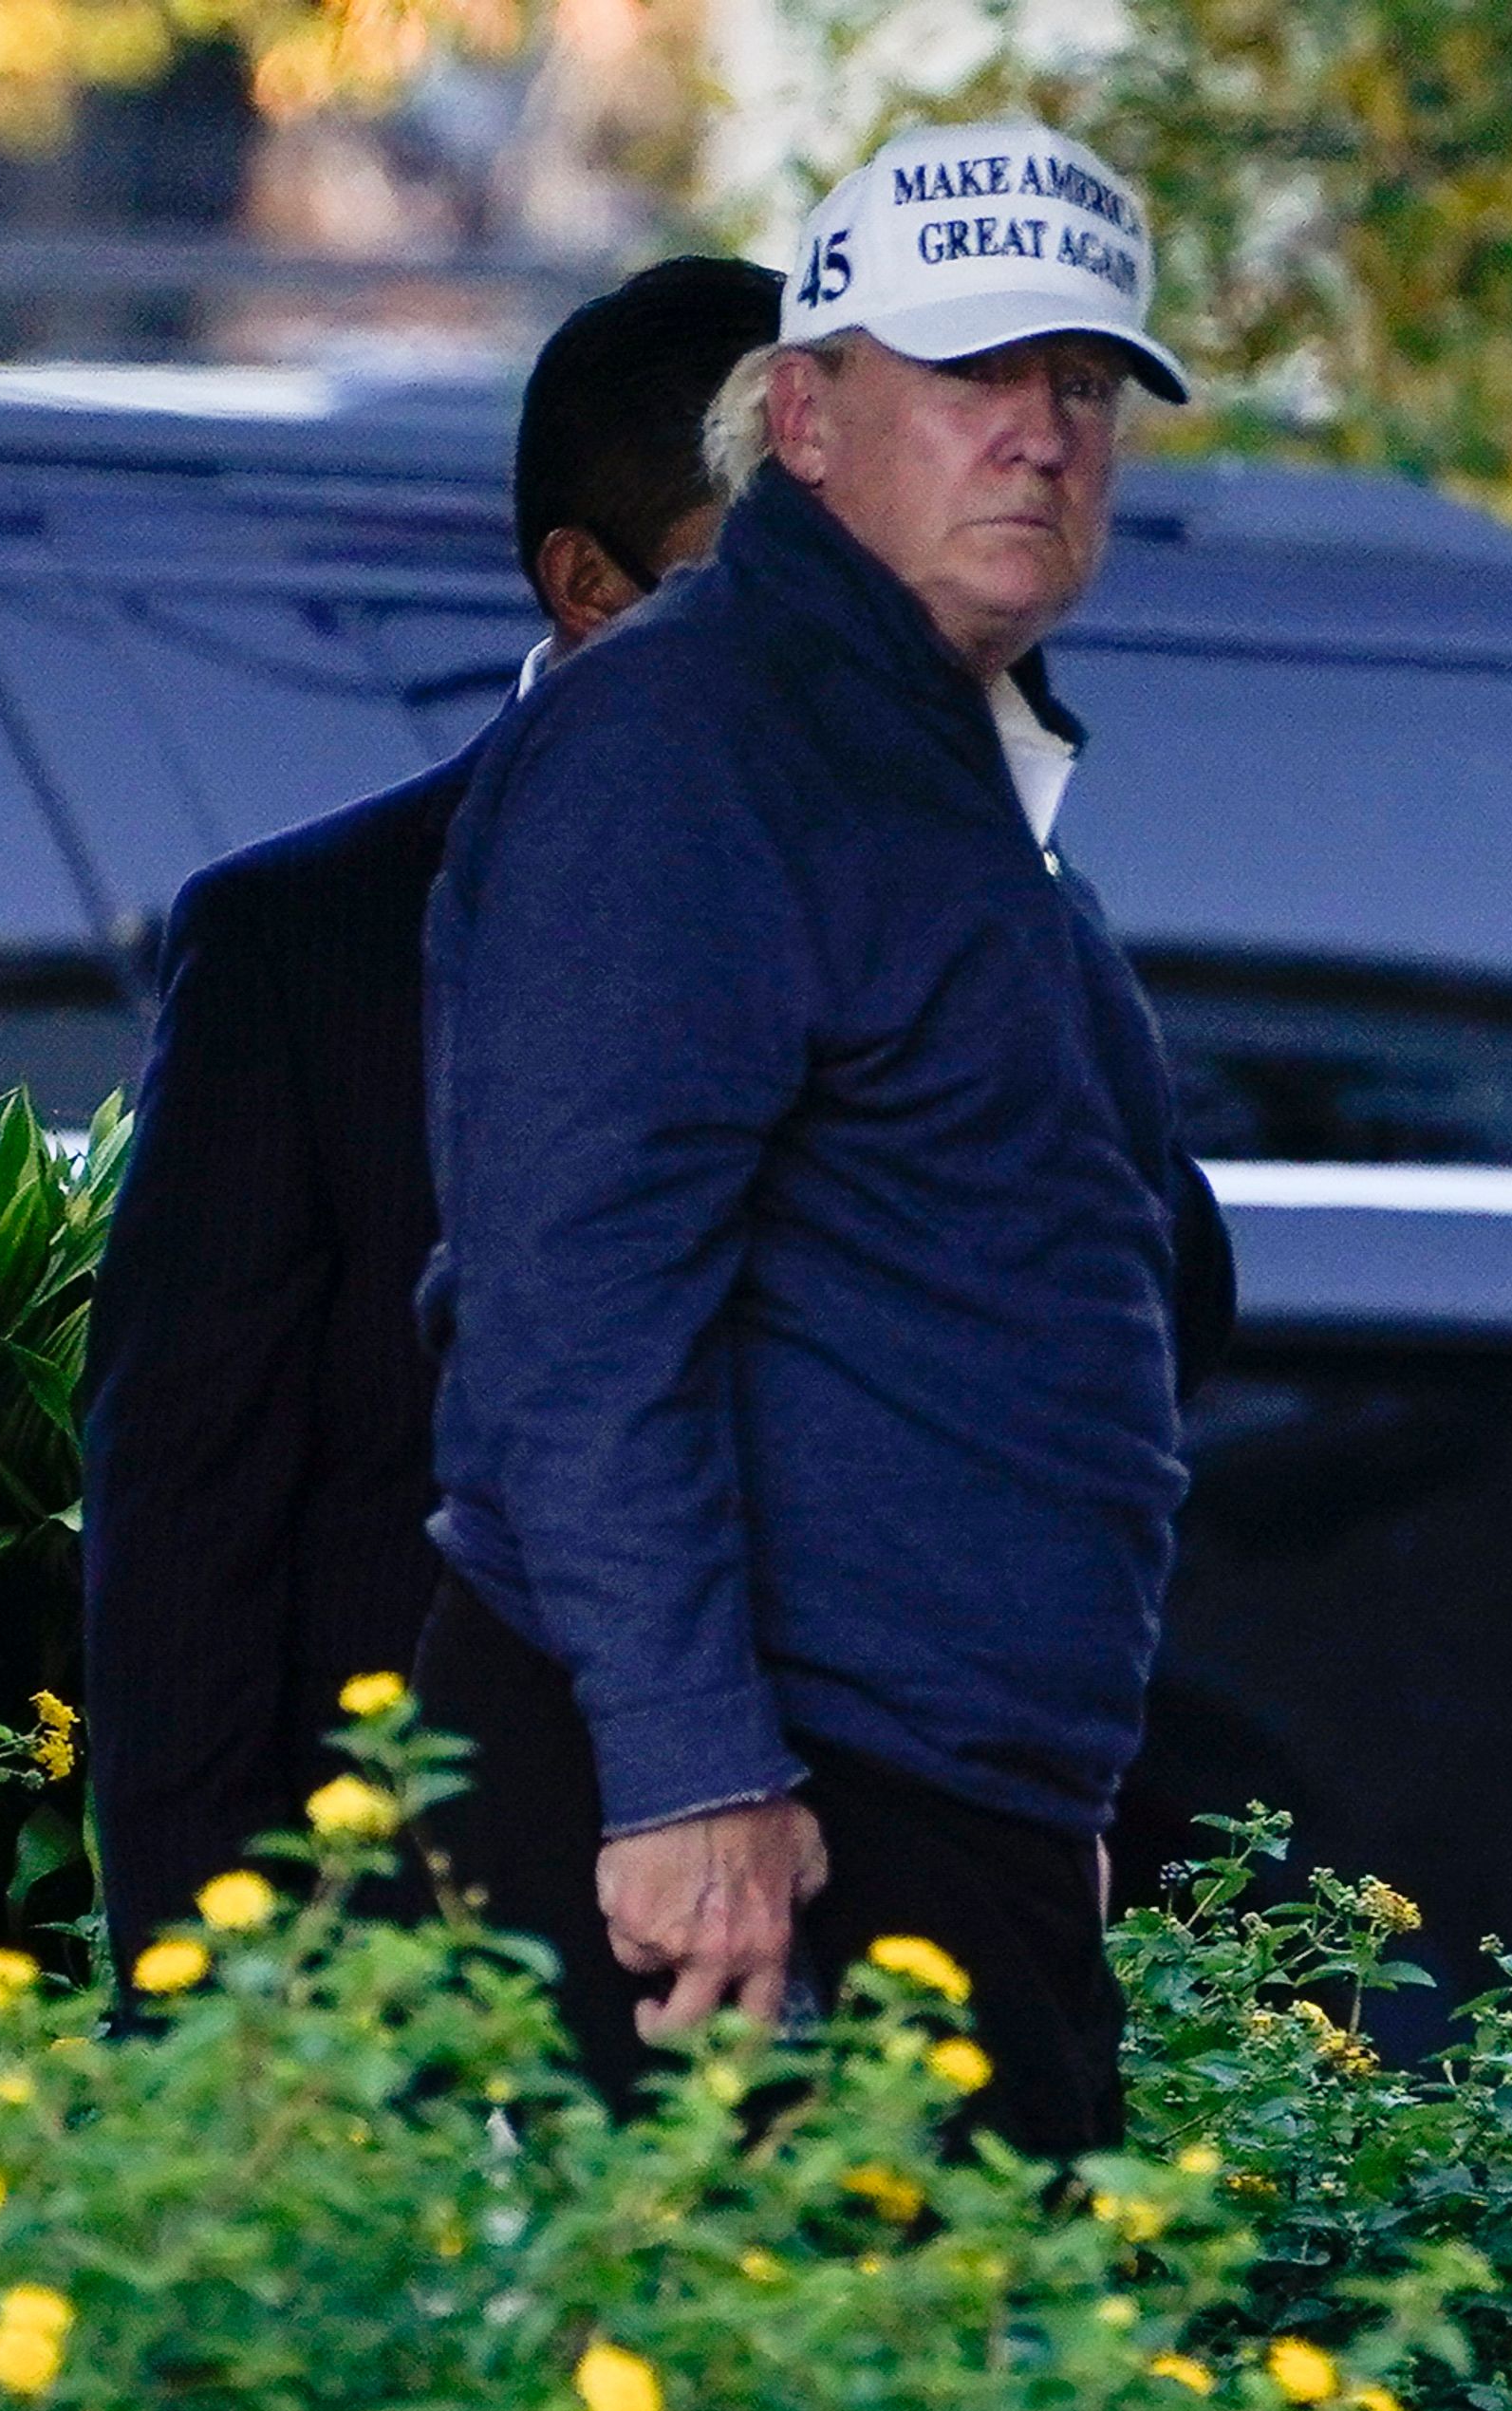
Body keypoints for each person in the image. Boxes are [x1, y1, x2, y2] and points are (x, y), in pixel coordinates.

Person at [418, 118, 1199, 2156]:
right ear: (806, 416)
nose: (1041, 434)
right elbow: (576, 1303)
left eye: (1085, 383)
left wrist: (1037, 1794)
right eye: (974, 371)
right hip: (764, 1827)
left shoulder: (925, 743)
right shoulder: (688, 736)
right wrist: (688, 1782)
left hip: (923, 1806)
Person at [81, 256, 785, 1974]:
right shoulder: (307, 944)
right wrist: (207, 2007)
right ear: (589, 589)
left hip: (848, 1910)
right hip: (425, 1942)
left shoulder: (954, 886)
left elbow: (1155, 1296)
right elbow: (185, 1515)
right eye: (776, 577)